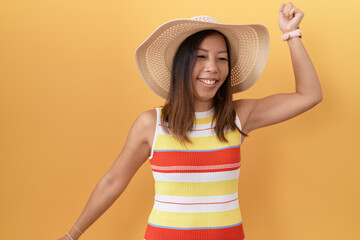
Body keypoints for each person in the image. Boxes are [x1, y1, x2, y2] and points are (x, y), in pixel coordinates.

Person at [59, 2, 322, 240]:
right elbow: (112, 182)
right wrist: (71, 236)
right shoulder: (152, 124)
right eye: (201, 56)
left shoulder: (237, 117)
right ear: (181, 65)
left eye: (222, 58)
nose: (213, 68)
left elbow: (309, 95)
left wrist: (291, 34)